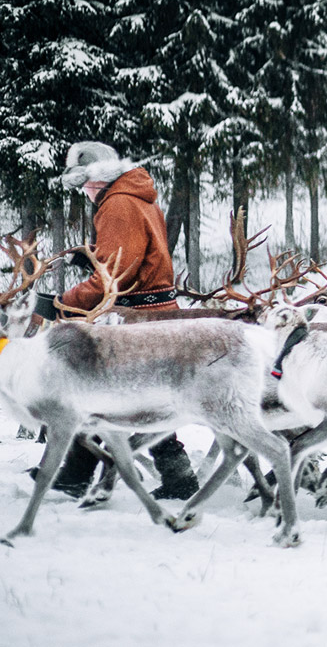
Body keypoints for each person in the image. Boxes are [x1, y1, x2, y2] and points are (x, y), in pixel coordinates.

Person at [29, 141, 198, 500]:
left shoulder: (117, 204)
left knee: (108, 394)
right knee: (131, 397)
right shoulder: (134, 195)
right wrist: (90, 260)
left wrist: (61, 304)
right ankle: (79, 472)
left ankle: (78, 473)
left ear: (95, 178)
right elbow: (132, 258)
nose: (84, 194)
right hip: (154, 313)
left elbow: (115, 277)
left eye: (83, 185)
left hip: (135, 319)